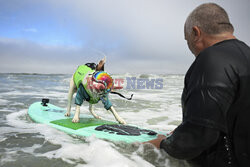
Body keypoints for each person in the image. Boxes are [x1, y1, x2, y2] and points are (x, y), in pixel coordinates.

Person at [147, 3, 250, 167]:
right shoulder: (245, 54)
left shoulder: (211, 60)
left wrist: (162, 144)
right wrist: (186, 128)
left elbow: (198, 137)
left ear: (196, 33)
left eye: (187, 40)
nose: (190, 48)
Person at [65, 57, 126, 124]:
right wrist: (76, 115)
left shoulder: (103, 89)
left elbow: (107, 103)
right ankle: (68, 109)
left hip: (94, 86)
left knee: (93, 96)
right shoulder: (86, 83)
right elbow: (79, 97)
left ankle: (91, 111)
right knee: (71, 92)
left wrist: (118, 118)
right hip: (78, 78)